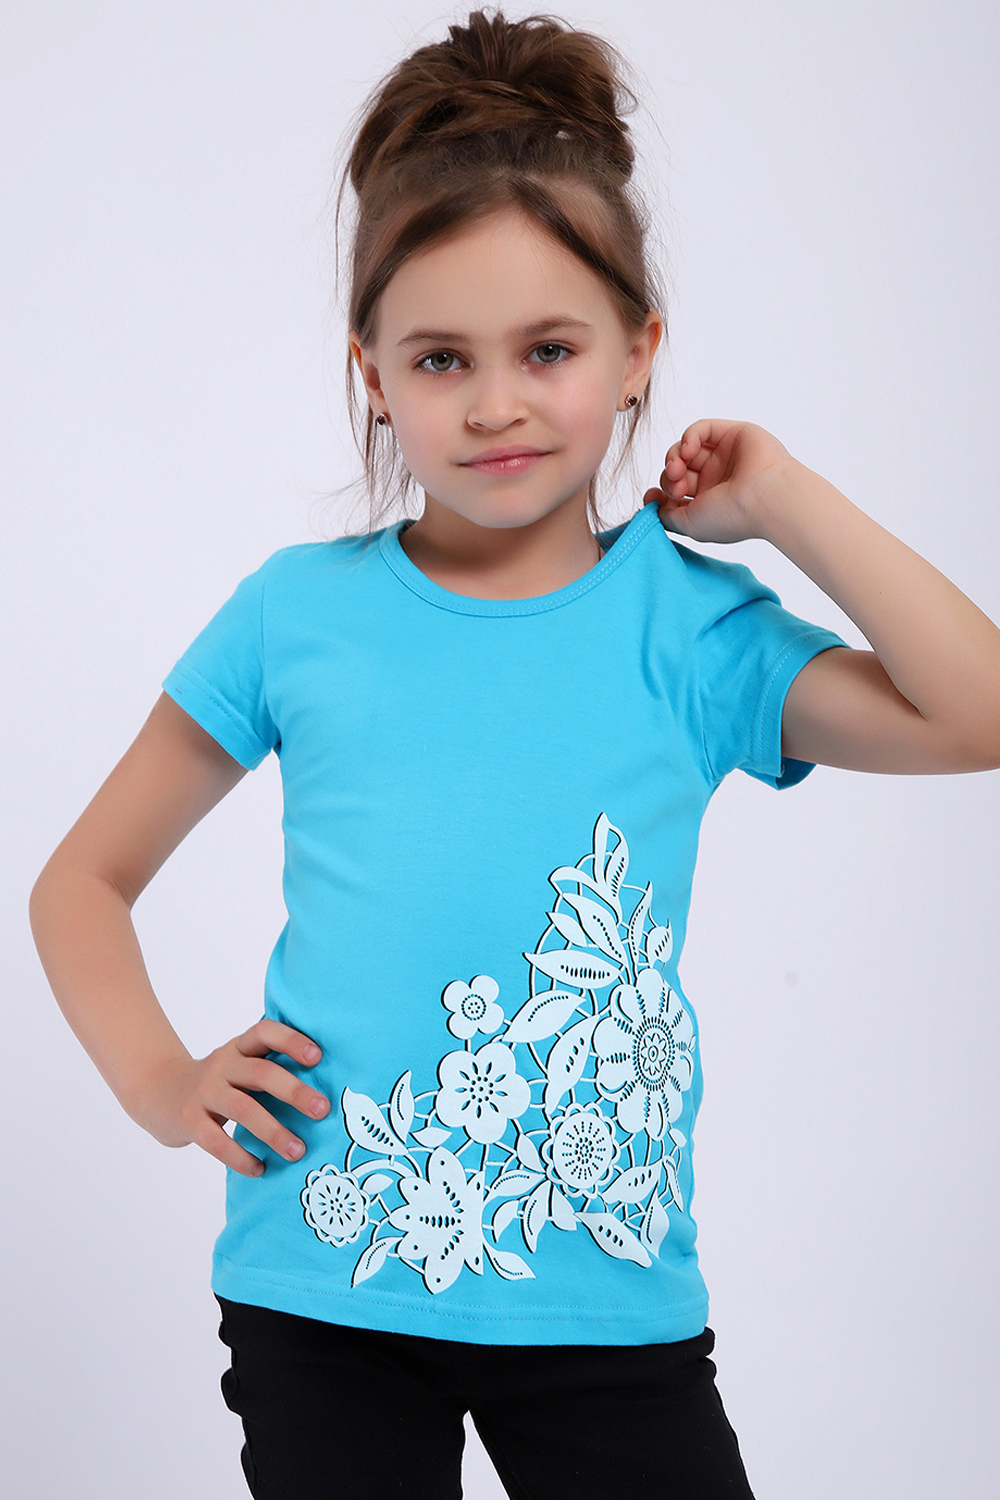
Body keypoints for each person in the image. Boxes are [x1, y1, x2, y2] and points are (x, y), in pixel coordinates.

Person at [28, 10, 1000, 1499]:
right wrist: (163, 1083)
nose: (494, 404)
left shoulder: (690, 631)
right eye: (440, 358)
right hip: (326, 1287)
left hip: (605, 1299)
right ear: (372, 370)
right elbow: (81, 883)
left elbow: (976, 713)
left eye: (549, 349)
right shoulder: (296, 616)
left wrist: (787, 500)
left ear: (638, 352)